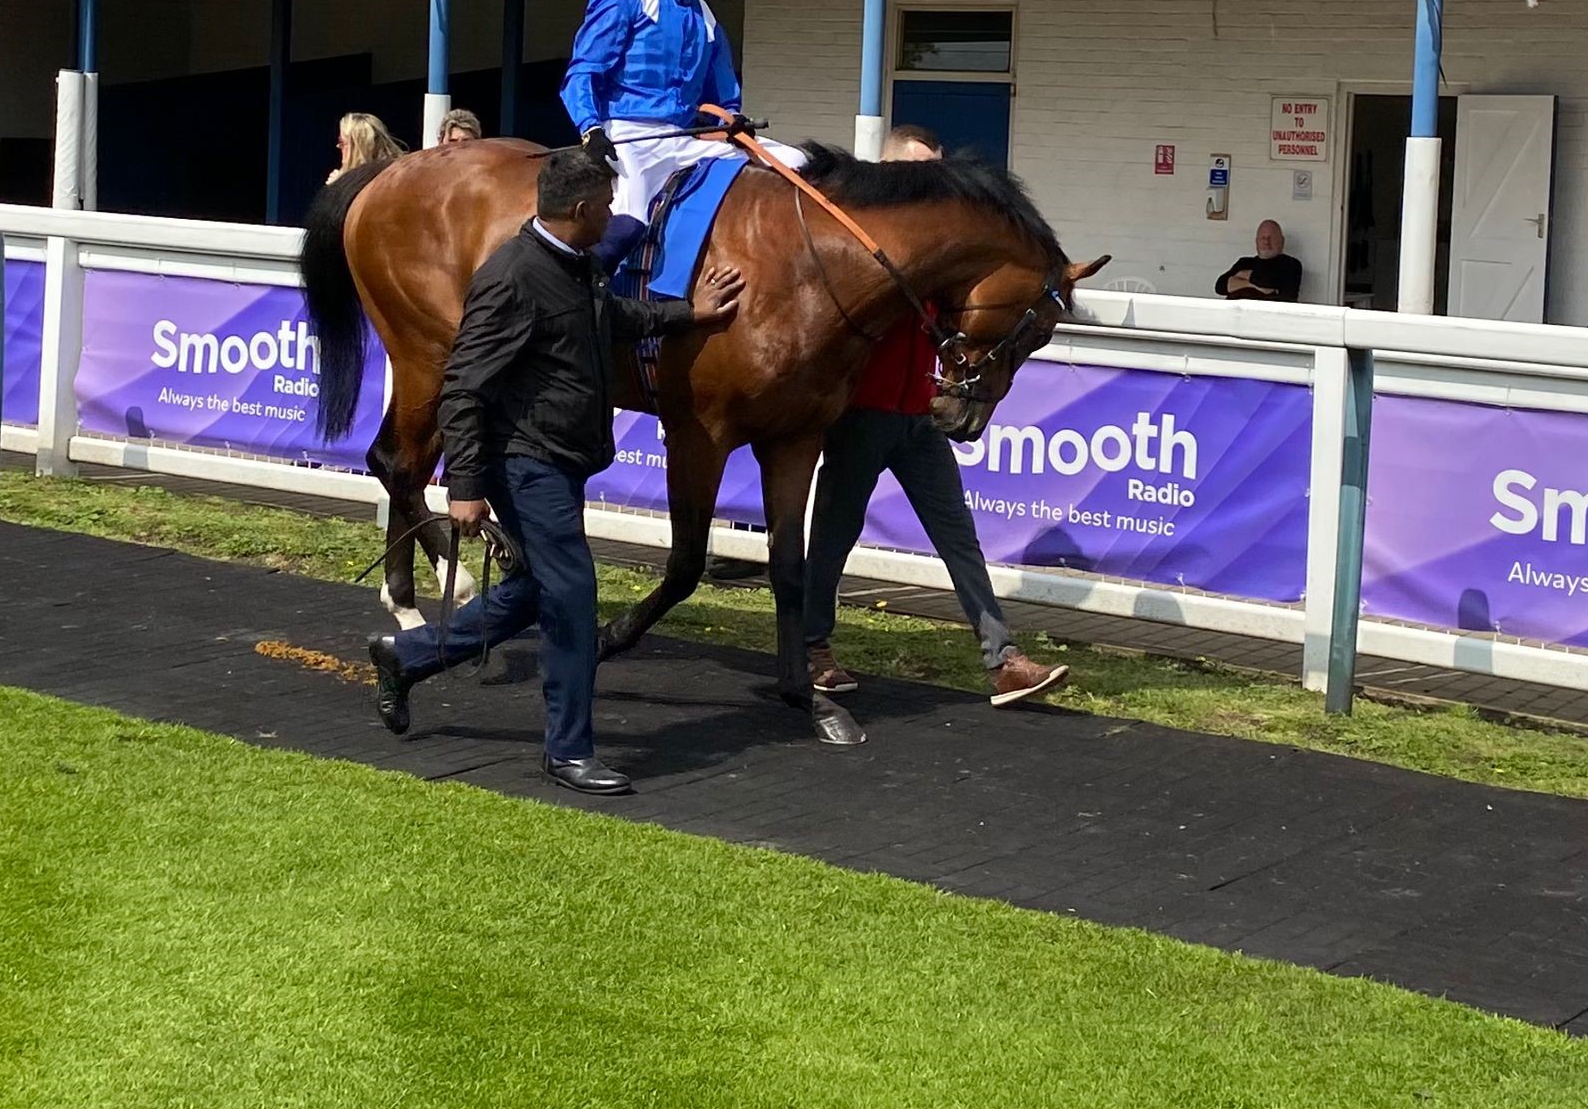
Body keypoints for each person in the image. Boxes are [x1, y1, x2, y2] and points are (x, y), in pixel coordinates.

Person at [367, 144, 745, 795]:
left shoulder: (578, 266)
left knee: (534, 590)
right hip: (522, 464)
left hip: (562, 461)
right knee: (573, 596)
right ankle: (569, 750)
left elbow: (612, 319)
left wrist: (688, 314)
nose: (615, 216)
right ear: (578, 209)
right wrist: (464, 488)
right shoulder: (511, 277)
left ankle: (407, 656)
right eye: (606, 206)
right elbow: (463, 386)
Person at [801, 124, 1071, 707]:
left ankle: (1003, 659)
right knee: (834, 536)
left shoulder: (945, 258)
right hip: (864, 415)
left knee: (959, 538)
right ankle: (811, 646)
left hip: (920, 418)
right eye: (919, 171)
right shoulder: (868, 250)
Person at [560, 0, 806, 268]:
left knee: (795, 161)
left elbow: (723, 99)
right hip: (629, 136)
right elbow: (583, 72)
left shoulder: (707, 19)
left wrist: (728, 119)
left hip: (684, 138)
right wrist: (590, 129)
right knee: (629, 220)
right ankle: (586, 291)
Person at [1216, 219, 1303, 302]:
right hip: (1235, 314)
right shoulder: (1244, 262)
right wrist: (1256, 286)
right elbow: (1220, 286)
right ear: (1256, 241)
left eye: (1271, 238)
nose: (1266, 242)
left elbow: (1267, 281)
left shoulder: (1291, 264)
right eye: (1262, 238)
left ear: (1282, 241)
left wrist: (1241, 276)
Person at [326, 111, 406, 183]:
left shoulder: (374, 181)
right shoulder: (397, 169)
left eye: (342, 142)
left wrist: (338, 186)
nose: (338, 146)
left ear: (358, 146)